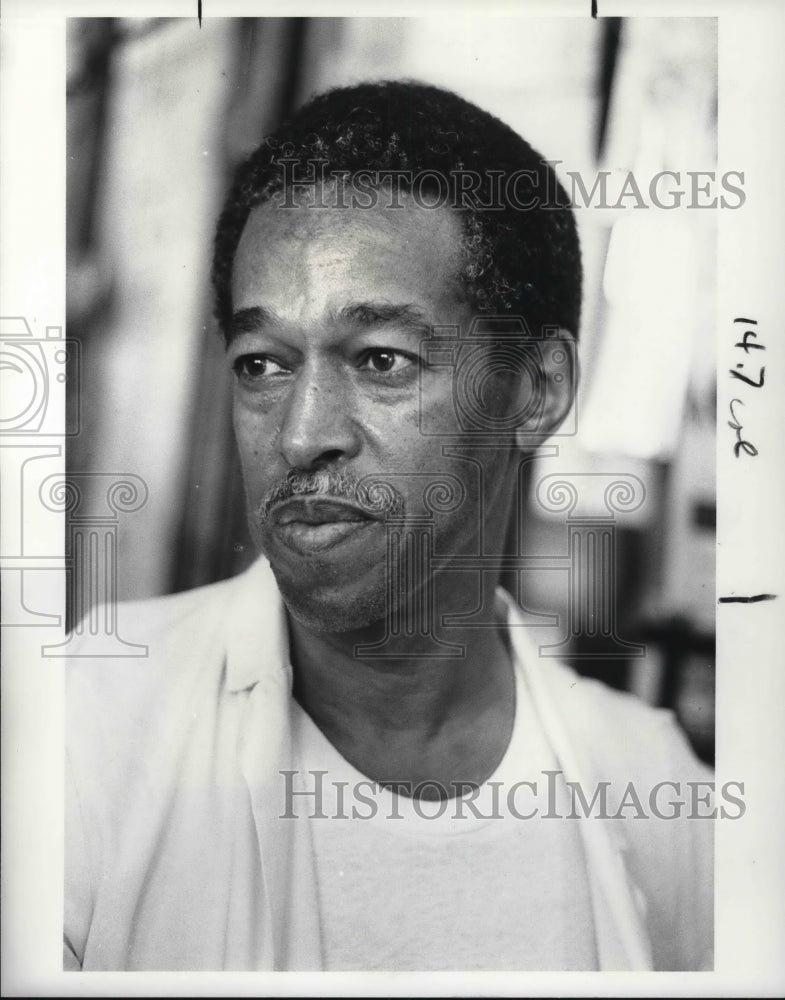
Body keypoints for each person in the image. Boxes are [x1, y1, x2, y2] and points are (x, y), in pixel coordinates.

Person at [65, 80, 713, 972]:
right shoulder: (80, 730)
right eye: (261, 364)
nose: (300, 435)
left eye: (380, 361)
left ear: (536, 391)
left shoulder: (659, 793)